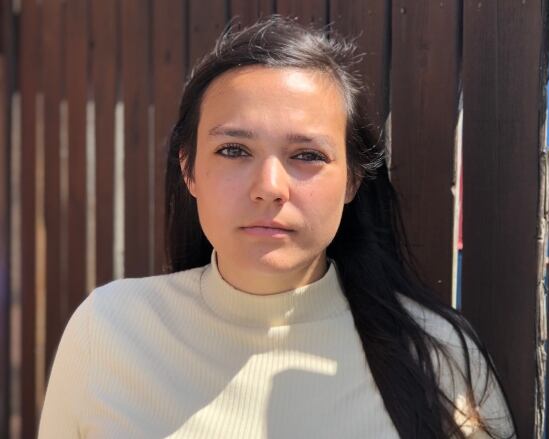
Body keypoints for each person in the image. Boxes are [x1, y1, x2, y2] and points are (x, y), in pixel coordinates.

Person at [38, 16, 517, 439]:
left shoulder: (439, 357)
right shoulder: (110, 331)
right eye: (234, 150)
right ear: (189, 170)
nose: (269, 187)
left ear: (352, 179)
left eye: (307, 155)